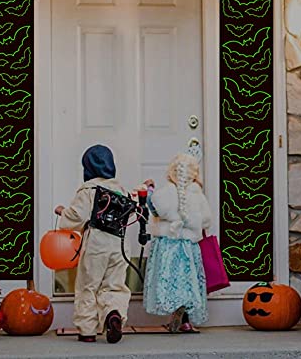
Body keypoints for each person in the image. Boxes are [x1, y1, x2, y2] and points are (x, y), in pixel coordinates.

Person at [55, 144, 153, 344]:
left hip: (96, 245)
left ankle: (88, 331)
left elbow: (77, 216)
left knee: (88, 286)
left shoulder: (88, 190)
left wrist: (62, 212)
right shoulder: (121, 189)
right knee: (114, 285)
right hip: (120, 245)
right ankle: (113, 314)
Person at [143, 153, 211, 332]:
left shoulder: (164, 193)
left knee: (171, 280)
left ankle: (174, 311)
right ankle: (186, 320)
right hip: (189, 246)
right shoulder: (197, 195)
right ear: (194, 175)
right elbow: (206, 220)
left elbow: (154, 208)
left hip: (168, 244)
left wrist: (149, 189)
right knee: (187, 281)